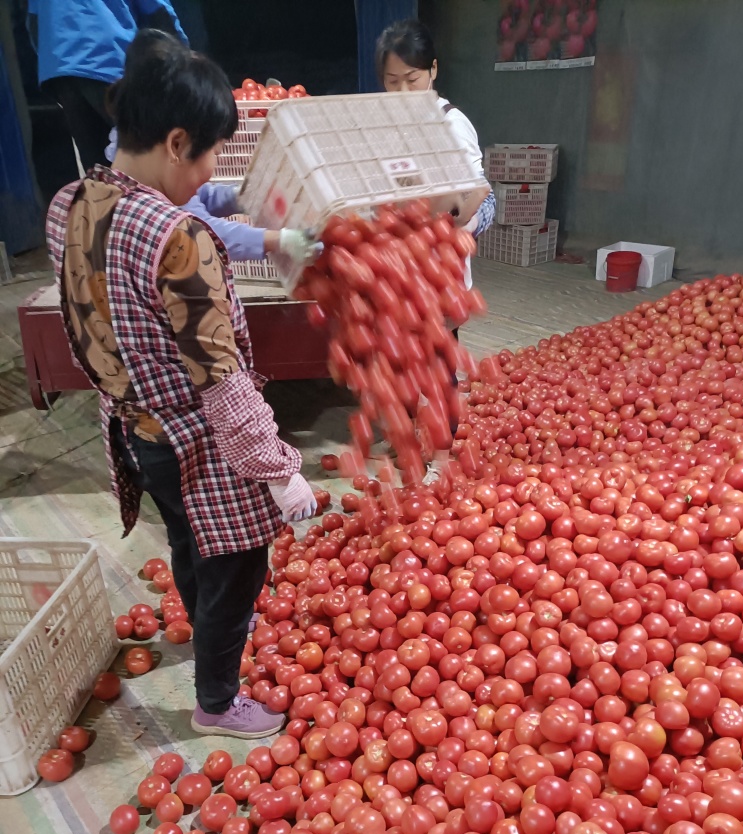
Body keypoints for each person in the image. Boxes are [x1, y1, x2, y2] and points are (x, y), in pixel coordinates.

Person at [45, 29, 322, 739]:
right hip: (199, 439)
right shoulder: (180, 240)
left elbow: (92, 305)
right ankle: (217, 702)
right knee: (236, 564)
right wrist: (279, 470)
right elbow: (222, 383)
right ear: (174, 142)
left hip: (133, 428)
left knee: (187, 538)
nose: (205, 176)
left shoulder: (69, 204)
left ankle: (203, 632)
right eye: (205, 157)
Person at [376, 19, 496, 483]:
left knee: (441, 363)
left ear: (433, 71)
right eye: (392, 82)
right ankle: (403, 435)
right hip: (397, 265)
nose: (404, 91)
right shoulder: (385, 126)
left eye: (413, 79)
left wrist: (436, 214)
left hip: (438, 270)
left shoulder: (451, 123)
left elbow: (474, 192)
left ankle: (443, 454)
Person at [27, 0, 186, 171]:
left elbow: (34, 22)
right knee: (151, 153)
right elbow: (158, 9)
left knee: (97, 170)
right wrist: (184, 58)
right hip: (109, 58)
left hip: (62, 67)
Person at [106, 126, 269, 261]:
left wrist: (242, 196)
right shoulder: (152, 214)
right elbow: (204, 234)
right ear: (176, 145)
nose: (214, 162)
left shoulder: (147, 173)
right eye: (215, 153)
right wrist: (279, 241)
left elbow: (199, 197)